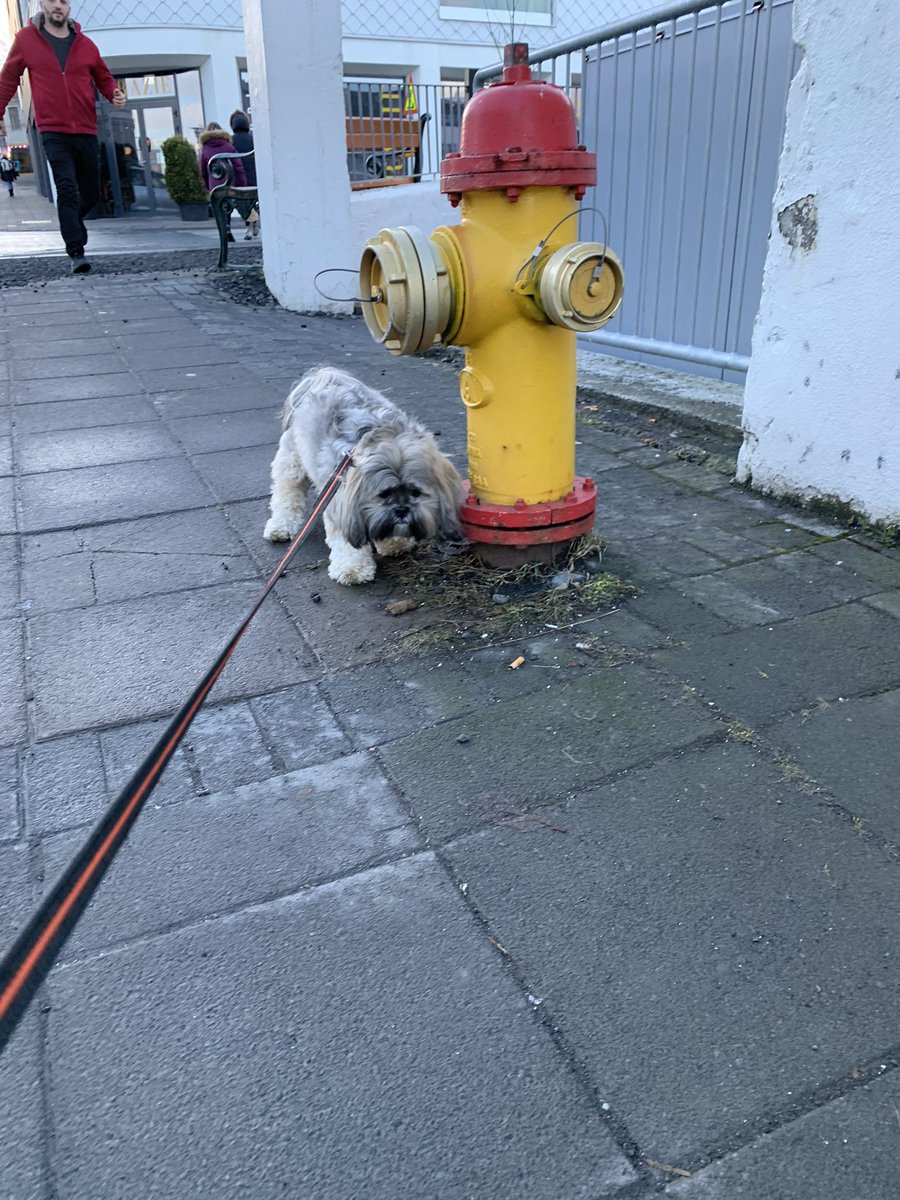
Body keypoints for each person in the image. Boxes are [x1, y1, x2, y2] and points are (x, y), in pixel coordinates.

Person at [0, 0, 126, 274]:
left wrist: (113, 93)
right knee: (66, 187)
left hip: (85, 129)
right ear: (42, 4)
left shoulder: (86, 45)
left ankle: (70, 222)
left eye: (63, 1)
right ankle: (76, 252)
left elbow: (103, 77)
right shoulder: (26, 40)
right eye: (52, 0)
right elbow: (9, 77)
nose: (58, 5)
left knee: (91, 193)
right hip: (53, 130)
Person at [198, 121, 247, 243]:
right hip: (230, 182)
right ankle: (228, 228)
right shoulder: (228, 146)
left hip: (214, 184)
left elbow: (203, 170)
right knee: (228, 206)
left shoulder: (205, 148)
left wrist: (206, 185)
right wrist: (242, 183)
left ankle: (224, 231)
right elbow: (238, 166)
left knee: (218, 208)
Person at [229, 109, 259, 239]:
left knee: (242, 203)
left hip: (238, 179)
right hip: (254, 177)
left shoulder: (230, 141)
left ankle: (251, 226)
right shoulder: (254, 139)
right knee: (252, 203)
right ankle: (252, 224)